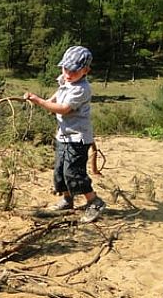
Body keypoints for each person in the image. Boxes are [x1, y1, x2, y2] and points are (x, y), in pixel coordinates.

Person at [24, 45, 107, 224]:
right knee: (60, 171)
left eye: (74, 70)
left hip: (78, 137)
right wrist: (47, 102)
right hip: (63, 135)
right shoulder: (66, 80)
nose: (68, 73)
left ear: (85, 70)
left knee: (74, 172)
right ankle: (67, 200)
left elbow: (64, 109)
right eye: (65, 68)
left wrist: (39, 101)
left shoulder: (82, 89)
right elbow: (58, 94)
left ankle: (94, 202)